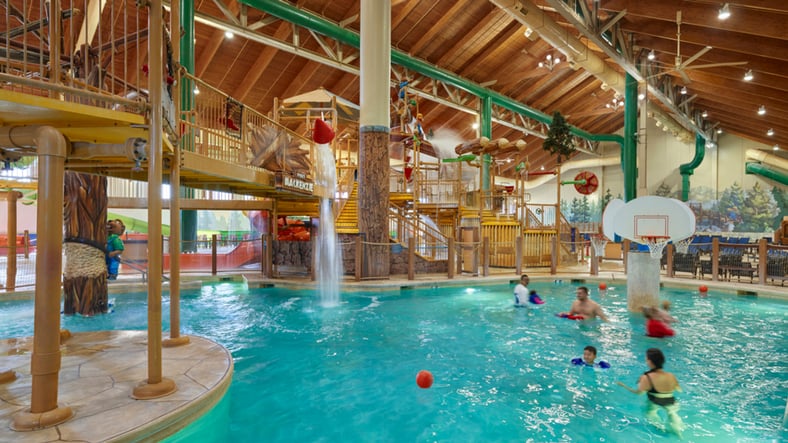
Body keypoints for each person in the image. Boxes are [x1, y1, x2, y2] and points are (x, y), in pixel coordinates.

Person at [616, 348, 684, 435]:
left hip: (655, 400)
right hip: (671, 400)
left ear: (650, 362)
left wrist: (624, 386)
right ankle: (678, 432)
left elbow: (639, 393)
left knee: (650, 413)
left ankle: (661, 429)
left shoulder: (647, 377)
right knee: (671, 412)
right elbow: (679, 389)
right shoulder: (670, 375)